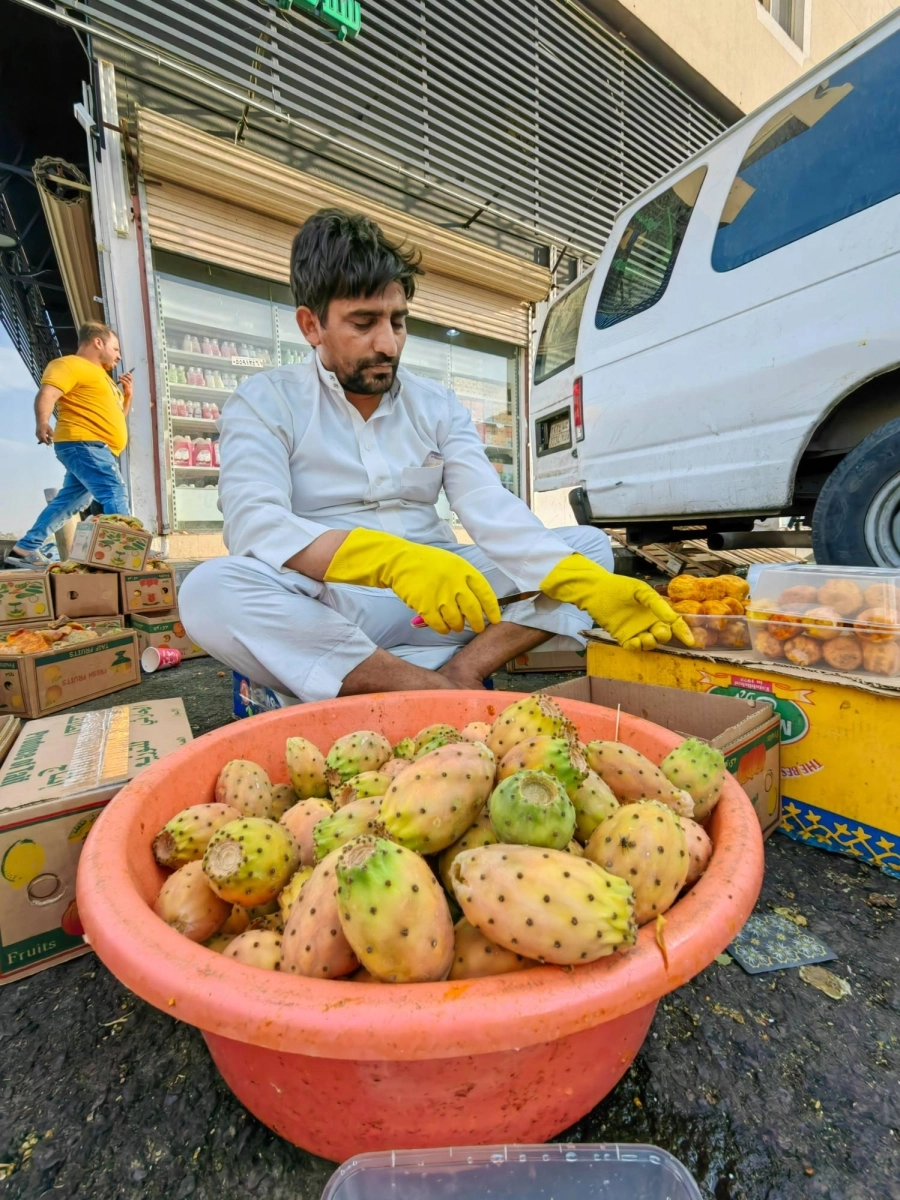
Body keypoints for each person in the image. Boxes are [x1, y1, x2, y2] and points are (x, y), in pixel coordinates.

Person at [179, 209, 692, 700]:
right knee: (208, 590)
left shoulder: (436, 404)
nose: (389, 344)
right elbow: (255, 523)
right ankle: (429, 689)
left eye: (398, 322)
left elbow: (488, 507)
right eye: (363, 323)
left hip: (447, 604)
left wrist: (584, 583)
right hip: (333, 605)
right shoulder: (266, 400)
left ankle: (459, 671)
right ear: (311, 325)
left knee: (589, 550)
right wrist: (391, 561)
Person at [6, 321, 133, 568]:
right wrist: (42, 421)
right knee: (114, 491)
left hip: (94, 447)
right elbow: (48, 393)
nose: (119, 355)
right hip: (85, 443)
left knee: (70, 502)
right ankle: (125, 556)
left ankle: (22, 551)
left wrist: (128, 396)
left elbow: (118, 418)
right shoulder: (70, 364)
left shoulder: (106, 380)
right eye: (116, 348)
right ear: (98, 342)